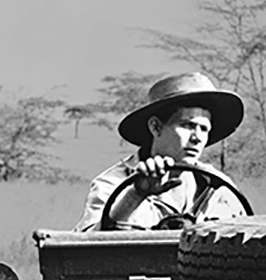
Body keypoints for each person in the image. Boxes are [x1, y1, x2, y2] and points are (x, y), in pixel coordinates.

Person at [75, 72, 247, 231]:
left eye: (204, 129)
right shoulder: (113, 183)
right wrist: (135, 195)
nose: (197, 138)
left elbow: (245, 237)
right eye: (187, 125)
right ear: (156, 127)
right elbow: (88, 244)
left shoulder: (219, 187)